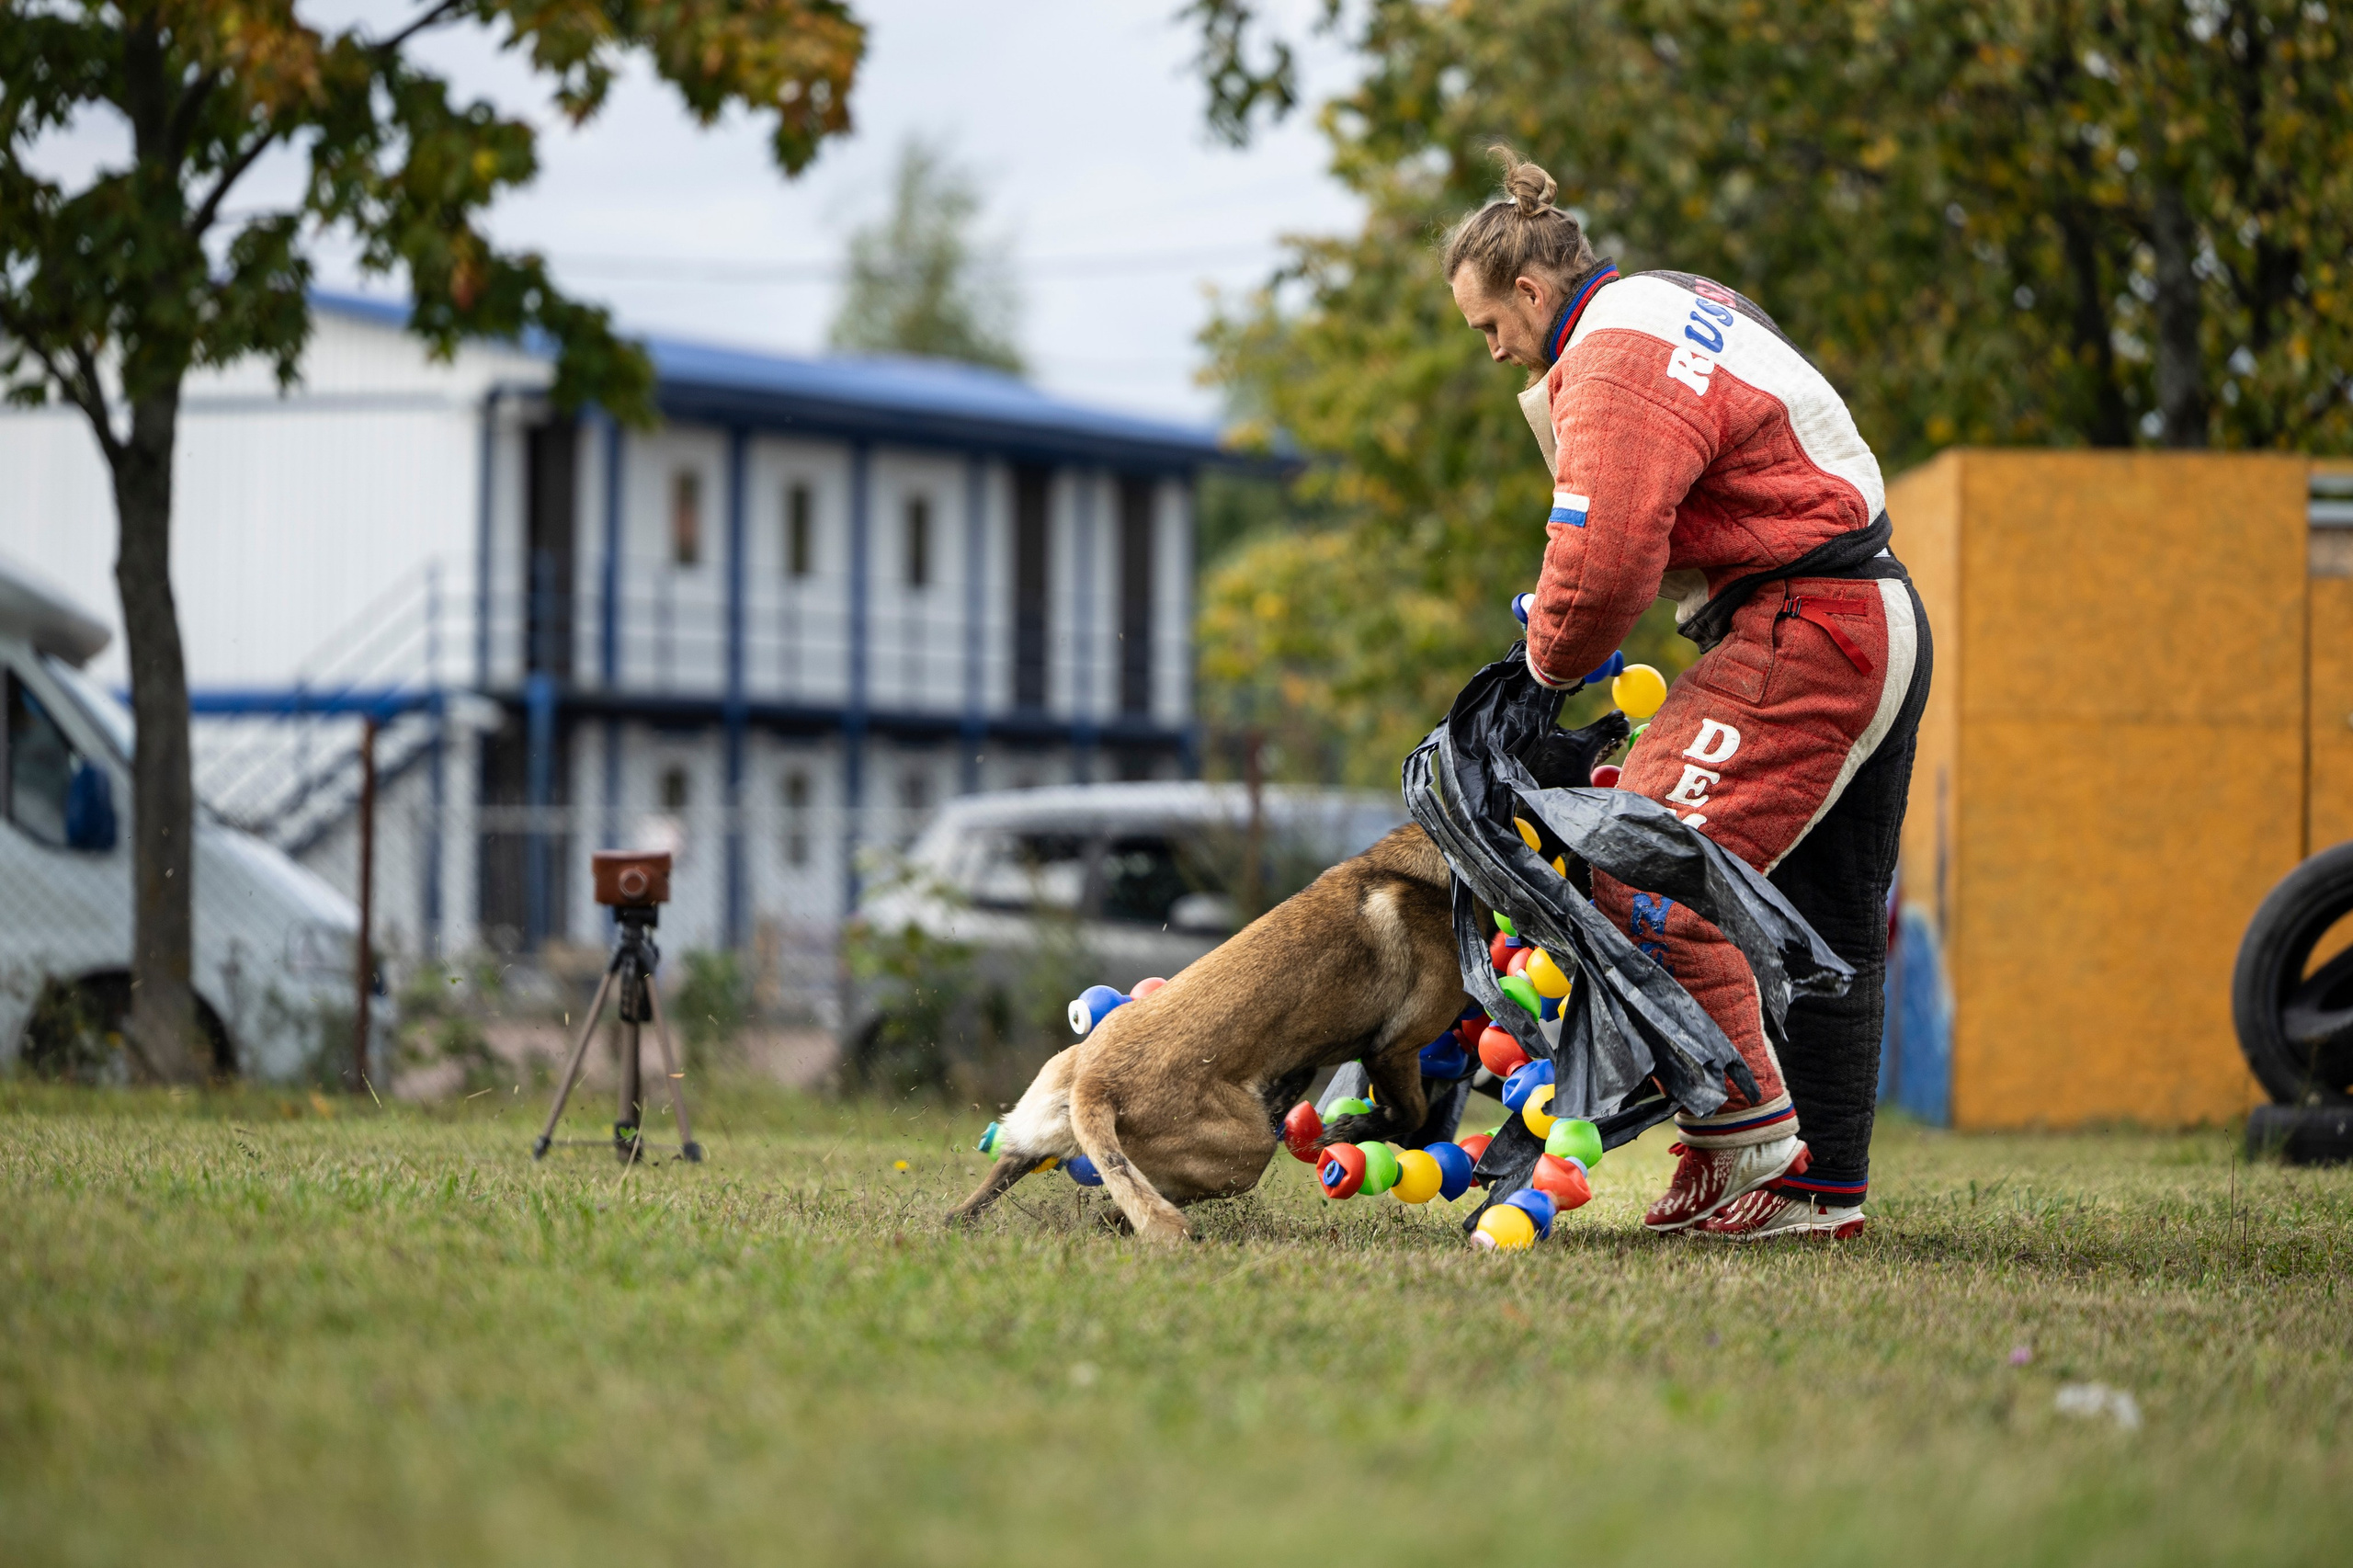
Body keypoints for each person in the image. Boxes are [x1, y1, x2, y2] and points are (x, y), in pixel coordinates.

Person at [1445, 149, 1932, 1240]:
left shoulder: (1611, 358)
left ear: (1531, 291)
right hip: (1866, 611)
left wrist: (1543, 673)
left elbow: (1609, 556)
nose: (1493, 352)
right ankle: (1815, 1189)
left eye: (1489, 327)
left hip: (1804, 628)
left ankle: (1745, 1130)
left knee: (1638, 855)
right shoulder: (1672, 300)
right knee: (1825, 923)